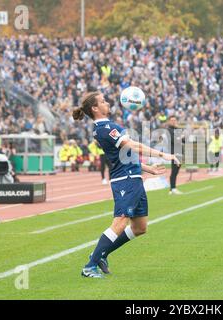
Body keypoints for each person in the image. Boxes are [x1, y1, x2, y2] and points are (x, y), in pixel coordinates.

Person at [72, 91, 180, 278]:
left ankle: (100, 255)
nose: (107, 103)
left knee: (139, 227)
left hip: (133, 177)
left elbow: (125, 155)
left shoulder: (106, 127)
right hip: (125, 180)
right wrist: (164, 155)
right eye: (103, 101)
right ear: (95, 108)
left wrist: (148, 169)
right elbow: (133, 147)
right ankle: (90, 266)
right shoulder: (106, 128)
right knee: (120, 222)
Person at [166, 115, 184, 195]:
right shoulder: (168, 130)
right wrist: (180, 137)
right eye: (172, 120)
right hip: (174, 153)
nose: (174, 121)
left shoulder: (177, 129)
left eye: (175, 120)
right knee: (174, 170)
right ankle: (173, 188)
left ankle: (171, 189)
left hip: (180, 151)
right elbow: (174, 140)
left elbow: (184, 139)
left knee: (176, 170)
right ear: (169, 121)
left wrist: (180, 138)